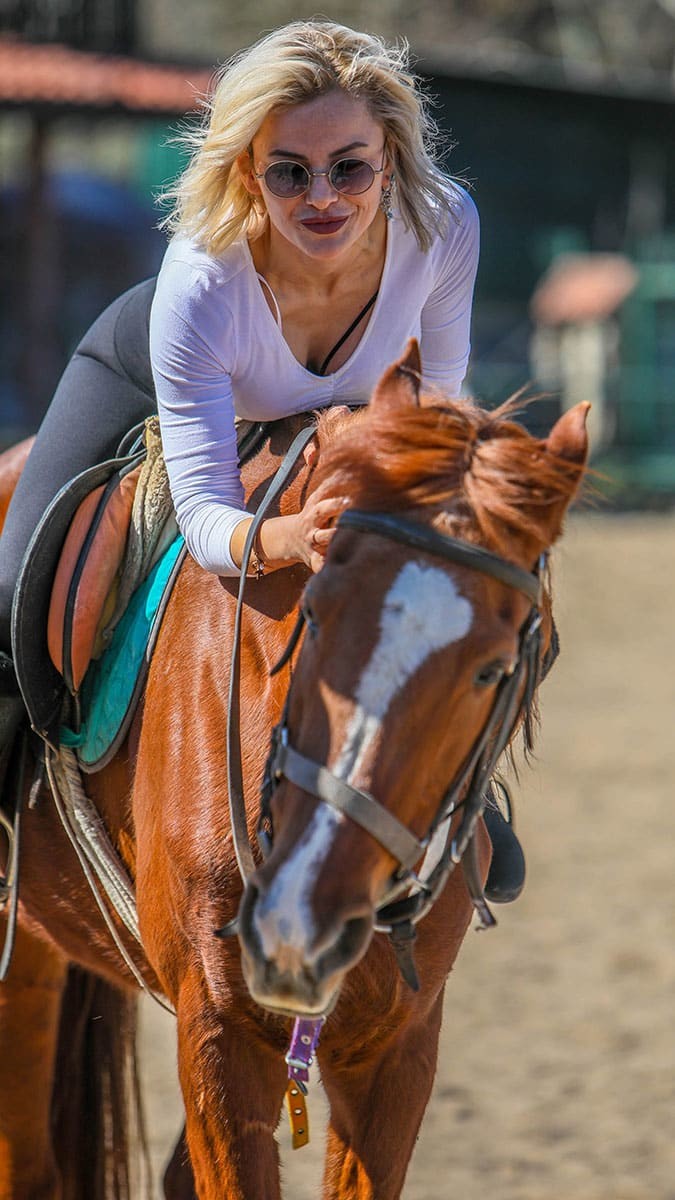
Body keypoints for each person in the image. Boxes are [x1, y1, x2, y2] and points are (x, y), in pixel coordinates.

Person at [0, 19, 523, 899]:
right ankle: (16, 803)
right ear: (251, 172)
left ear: (388, 161)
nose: (322, 196)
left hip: (344, 426)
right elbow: (204, 509)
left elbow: (433, 418)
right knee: (13, 583)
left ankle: (467, 790)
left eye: (349, 167)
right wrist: (285, 537)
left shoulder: (445, 226)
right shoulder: (200, 279)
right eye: (289, 172)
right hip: (150, 372)